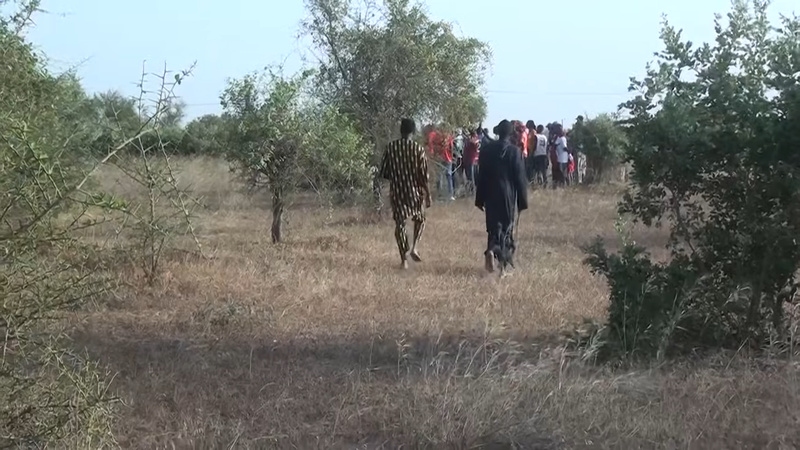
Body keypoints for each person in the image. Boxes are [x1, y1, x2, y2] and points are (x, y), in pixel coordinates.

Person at [475, 120, 529, 276]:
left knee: (493, 226)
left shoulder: (486, 150)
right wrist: (522, 201)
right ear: (511, 133)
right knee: (505, 228)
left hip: (490, 193)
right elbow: (520, 178)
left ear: (498, 132)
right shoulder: (514, 152)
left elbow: (481, 175)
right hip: (507, 194)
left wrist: (479, 198)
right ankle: (502, 268)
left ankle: (491, 250)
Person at [379, 118, 432, 269]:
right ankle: (415, 246)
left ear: (400, 130)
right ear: (413, 132)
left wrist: (397, 176)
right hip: (414, 192)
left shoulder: (391, 148)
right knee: (420, 218)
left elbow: (384, 172)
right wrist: (428, 194)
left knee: (400, 225)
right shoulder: (418, 149)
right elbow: (423, 176)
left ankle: (404, 260)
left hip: (397, 191)